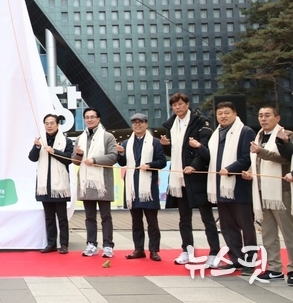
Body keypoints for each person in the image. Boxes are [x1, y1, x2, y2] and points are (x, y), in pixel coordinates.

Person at [196, 101, 256, 275]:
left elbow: (246, 158)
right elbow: (211, 158)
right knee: (228, 227)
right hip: (220, 186)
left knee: (246, 226)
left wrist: (229, 169)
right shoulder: (216, 134)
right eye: (220, 113)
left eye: (226, 112)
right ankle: (235, 258)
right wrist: (199, 148)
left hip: (239, 186)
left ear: (235, 113)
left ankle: (250, 261)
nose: (223, 116)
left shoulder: (245, 131)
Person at [161, 93, 220, 267]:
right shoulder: (172, 124)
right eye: (174, 105)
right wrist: (166, 146)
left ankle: (214, 252)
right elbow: (174, 152)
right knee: (184, 218)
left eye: (180, 104)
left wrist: (194, 166)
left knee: (207, 217)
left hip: (197, 176)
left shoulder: (201, 122)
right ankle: (187, 250)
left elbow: (205, 149)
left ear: (187, 104)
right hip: (179, 177)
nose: (177, 107)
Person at [243, 106, 293, 283]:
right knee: (268, 233)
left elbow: (284, 158)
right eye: (260, 116)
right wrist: (250, 171)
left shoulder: (286, 135)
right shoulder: (259, 136)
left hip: (280, 191)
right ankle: (274, 268)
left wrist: (261, 151)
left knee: (288, 232)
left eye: (267, 115)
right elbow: (257, 161)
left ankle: (292, 268)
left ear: (277, 118)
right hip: (261, 191)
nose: (263, 119)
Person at [116, 113, 167, 261]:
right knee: (136, 221)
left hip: (148, 187)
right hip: (132, 187)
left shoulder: (155, 142)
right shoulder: (126, 143)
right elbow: (122, 163)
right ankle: (138, 249)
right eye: (134, 122)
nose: (137, 125)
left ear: (146, 124)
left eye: (140, 122)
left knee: (152, 221)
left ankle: (154, 250)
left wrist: (149, 165)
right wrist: (120, 153)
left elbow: (162, 162)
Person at [72, 108, 118, 258]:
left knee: (106, 216)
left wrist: (95, 160)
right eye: (87, 117)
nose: (89, 119)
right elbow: (75, 161)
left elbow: (113, 157)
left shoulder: (108, 137)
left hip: (102, 183)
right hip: (86, 183)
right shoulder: (79, 138)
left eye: (92, 117)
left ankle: (108, 246)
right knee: (89, 216)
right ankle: (91, 244)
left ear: (99, 119)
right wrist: (78, 155)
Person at [29, 114, 73, 254]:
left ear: (57, 125)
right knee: (49, 217)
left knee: (62, 218)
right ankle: (51, 243)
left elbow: (69, 159)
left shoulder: (66, 141)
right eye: (46, 123)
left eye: (52, 123)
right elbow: (32, 158)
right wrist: (37, 147)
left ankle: (64, 244)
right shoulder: (41, 140)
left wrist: (54, 151)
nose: (49, 126)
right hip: (45, 186)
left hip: (59, 186)